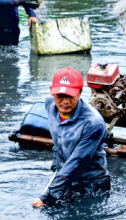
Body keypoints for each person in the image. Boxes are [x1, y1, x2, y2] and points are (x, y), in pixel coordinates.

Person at [32, 67, 110, 207]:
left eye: (70, 96)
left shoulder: (93, 123)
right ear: (52, 92)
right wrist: (57, 165)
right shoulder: (50, 103)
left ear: (80, 93)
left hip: (91, 185)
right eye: (60, 96)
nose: (65, 101)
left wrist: (46, 197)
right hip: (65, 176)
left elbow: (78, 161)